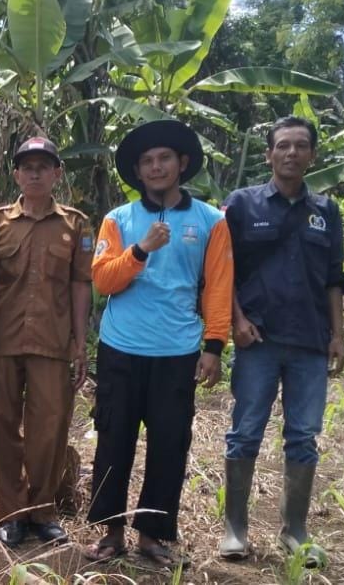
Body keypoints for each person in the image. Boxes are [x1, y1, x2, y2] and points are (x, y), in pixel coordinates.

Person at [85, 119, 232, 568]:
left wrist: (214, 345)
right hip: (121, 347)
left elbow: (218, 286)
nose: (156, 167)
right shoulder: (118, 219)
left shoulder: (211, 221)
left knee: (169, 444)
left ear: (182, 163)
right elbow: (103, 281)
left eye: (164, 158)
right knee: (114, 439)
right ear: (137, 171)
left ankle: (152, 535)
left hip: (177, 350)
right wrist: (140, 250)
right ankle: (111, 532)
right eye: (147, 161)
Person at [219, 116, 344, 567]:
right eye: (283, 145)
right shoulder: (242, 204)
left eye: (300, 146)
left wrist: (338, 335)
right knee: (245, 433)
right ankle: (235, 529)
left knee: (303, 437)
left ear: (312, 155)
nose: (291, 153)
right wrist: (235, 321)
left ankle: (295, 531)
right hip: (258, 339)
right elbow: (221, 270)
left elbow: (334, 278)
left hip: (310, 341)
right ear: (269, 154)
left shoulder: (326, 211)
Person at [0, 137, 93, 548]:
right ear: (16, 175)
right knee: (2, 425)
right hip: (2, 340)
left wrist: (79, 343)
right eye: (27, 167)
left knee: (51, 427)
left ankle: (43, 511)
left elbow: (80, 285)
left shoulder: (75, 225)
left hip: (52, 340)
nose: (34, 174)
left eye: (42, 167)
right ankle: (11, 513)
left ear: (56, 174)